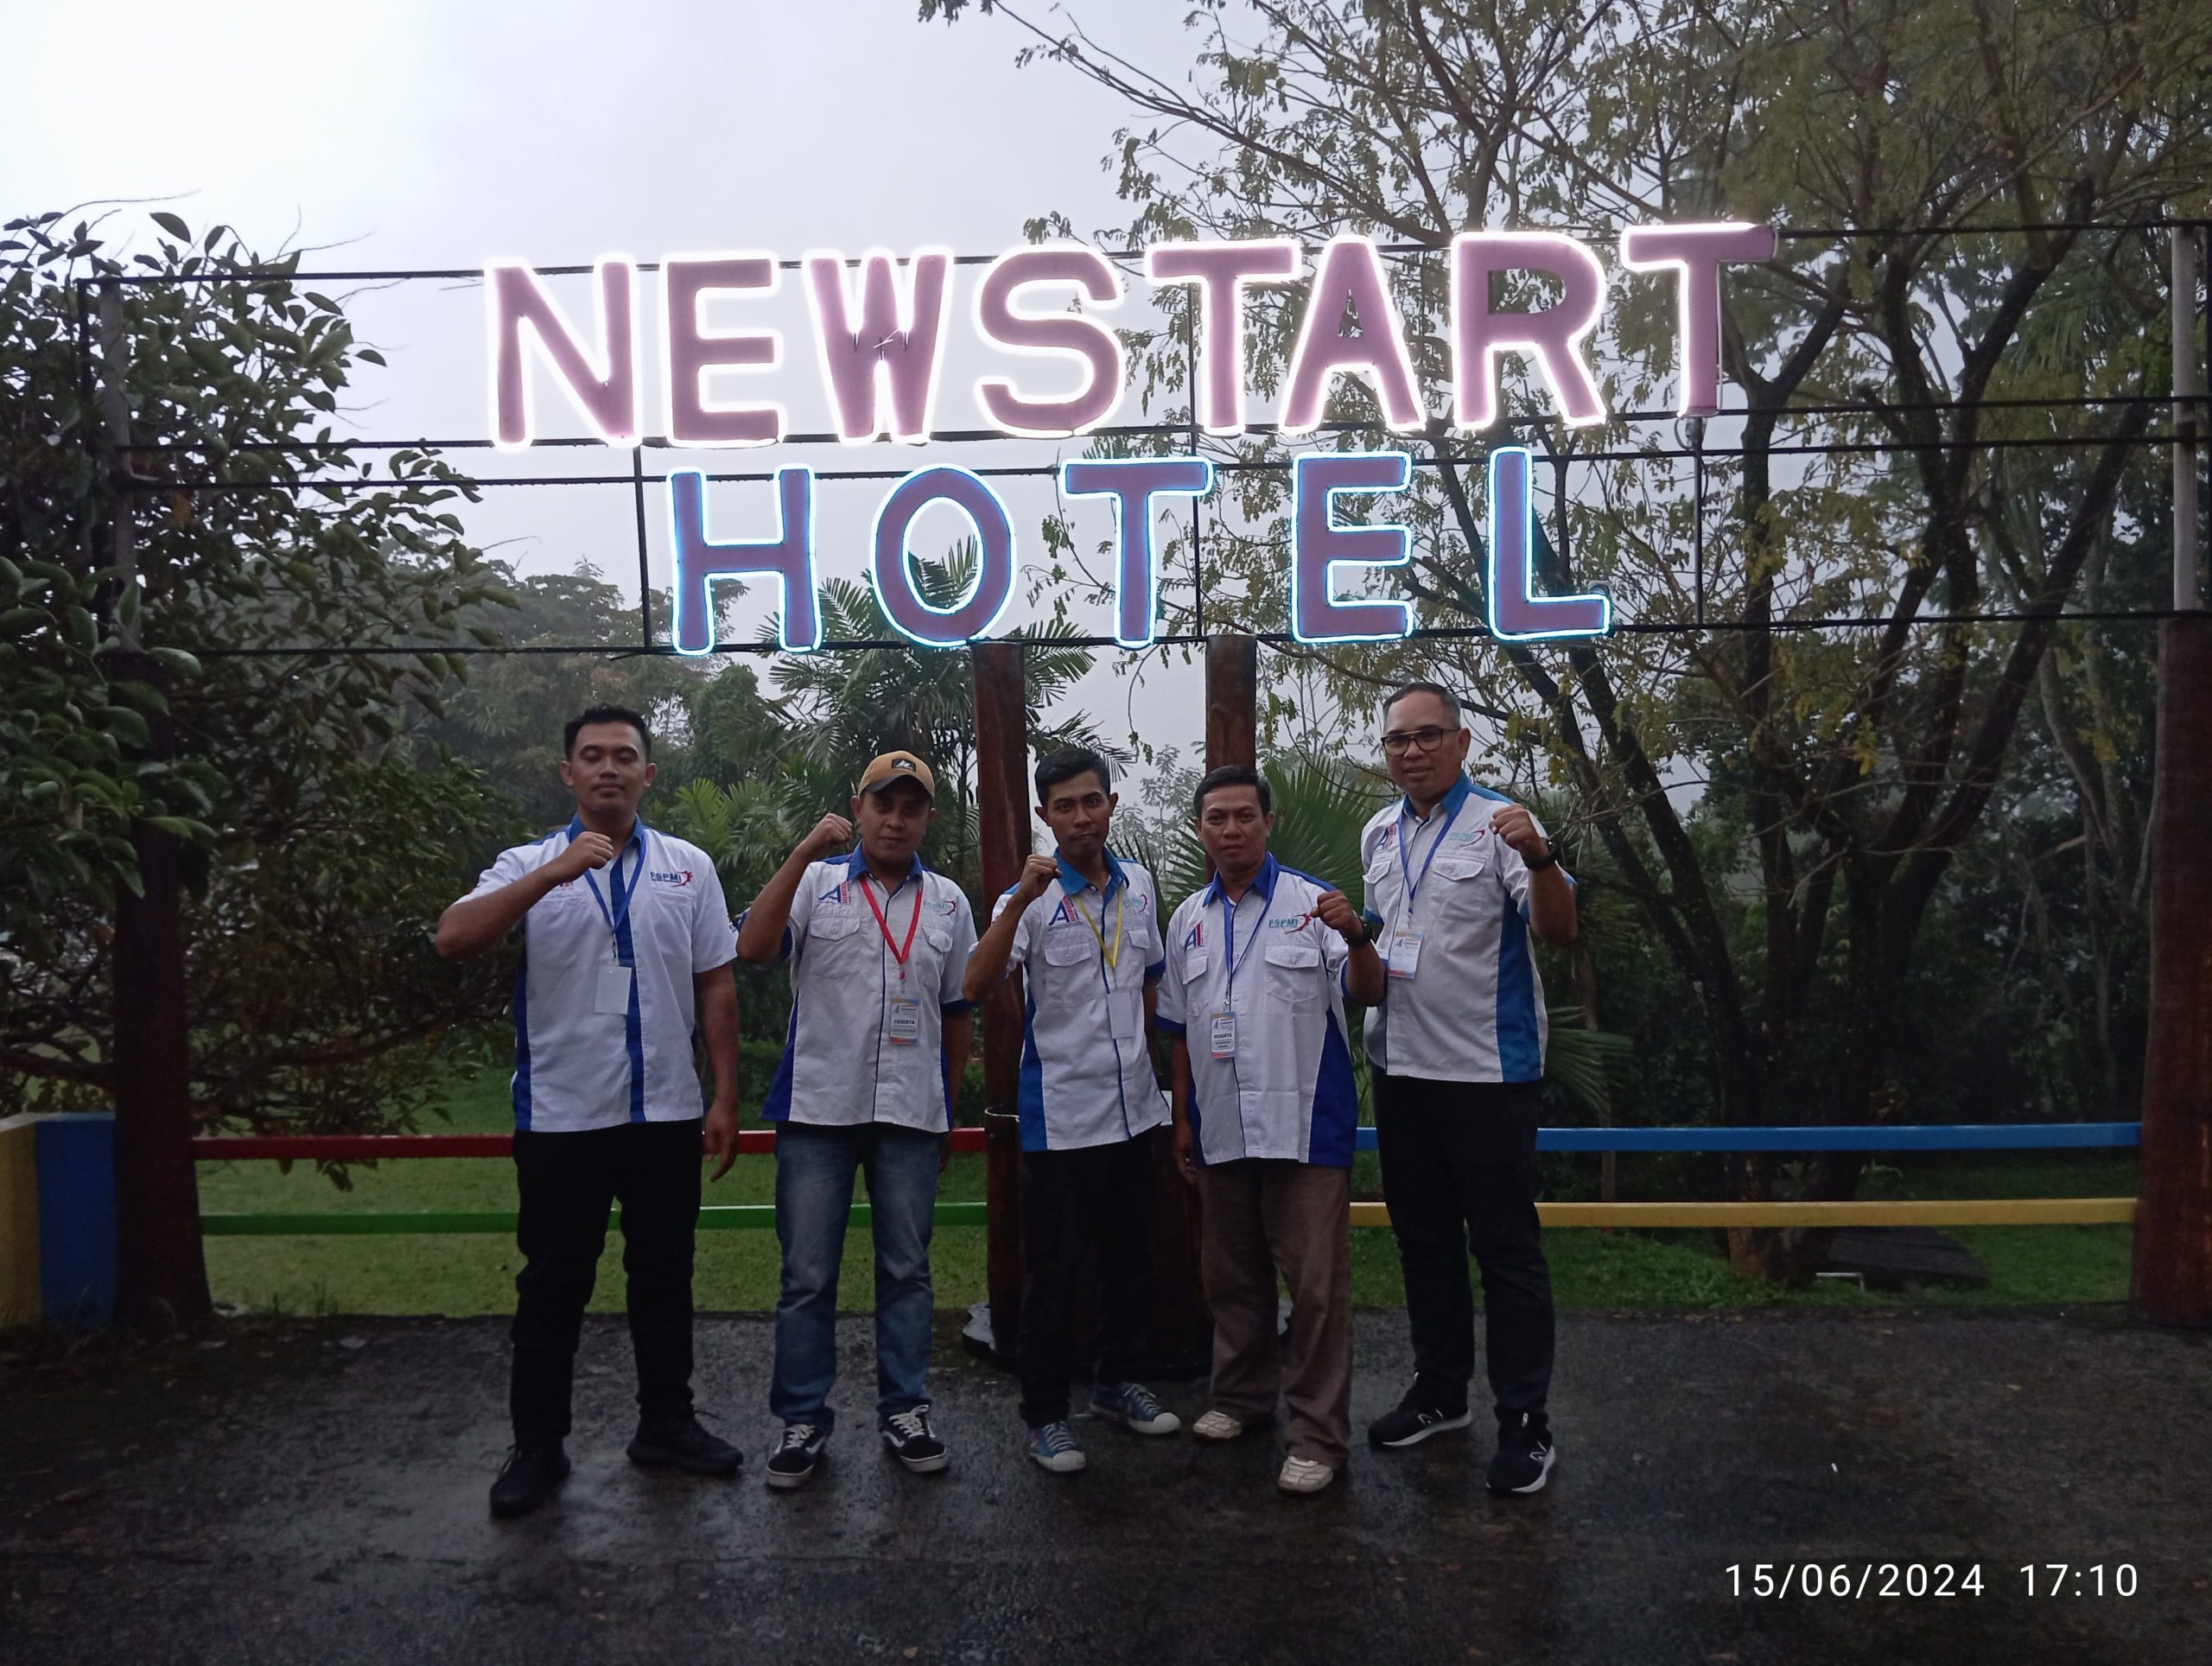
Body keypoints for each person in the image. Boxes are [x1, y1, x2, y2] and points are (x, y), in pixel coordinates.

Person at [435, 704, 744, 1519]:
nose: (609, 768)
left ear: (650, 773)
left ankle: (666, 1426)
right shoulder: (527, 861)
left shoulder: (688, 868)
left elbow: (715, 980)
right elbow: (452, 937)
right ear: (567, 772)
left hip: (666, 1115)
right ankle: (538, 1447)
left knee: (664, 1280)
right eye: (592, 756)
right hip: (563, 1119)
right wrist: (551, 875)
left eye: (626, 756)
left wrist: (724, 1092)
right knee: (552, 1287)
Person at [734, 751, 977, 1490]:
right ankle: (802, 1419)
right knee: (807, 1276)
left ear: (928, 818)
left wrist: (946, 1107)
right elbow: (752, 948)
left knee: (907, 1271)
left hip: (910, 1113)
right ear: (859, 806)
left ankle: (906, 1408)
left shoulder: (949, 904)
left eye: (911, 807)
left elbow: (958, 1012)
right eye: (883, 804)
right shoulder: (813, 884)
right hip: (818, 1112)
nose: (895, 818)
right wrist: (807, 847)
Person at [1358, 681, 1576, 1495]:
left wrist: (1542, 858)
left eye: (1427, 736)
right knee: (1424, 1243)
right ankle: (1441, 1392)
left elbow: (1558, 929)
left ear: (1462, 740)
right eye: (1396, 741)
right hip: (1401, 1070)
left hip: (1487, 1075)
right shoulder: (1379, 832)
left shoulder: (1503, 824)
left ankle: (1527, 1422)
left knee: (1507, 1249)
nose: (1410, 751)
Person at [1156, 766, 1385, 1495]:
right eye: (1216, 818)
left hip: (1303, 1125)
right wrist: (1183, 1117)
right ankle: (1241, 1399)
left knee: (1315, 1289)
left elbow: (1367, 991)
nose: (1231, 830)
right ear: (1200, 829)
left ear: (1268, 821)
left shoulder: (1312, 904)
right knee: (1232, 1278)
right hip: (1221, 1128)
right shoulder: (1187, 917)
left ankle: (1318, 1435)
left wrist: (1356, 939)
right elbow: (1181, 1031)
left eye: (1243, 817)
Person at [961, 747, 1179, 1475]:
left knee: (1130, 1262)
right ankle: (1046, 1415)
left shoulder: (1141, 886)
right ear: (1045, 815)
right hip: (1061, 1117)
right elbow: (976, 979)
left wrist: (1158, 1080)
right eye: (1064, 806)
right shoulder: (1026, 897)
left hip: (1136, 1113)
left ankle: (1118, 1384)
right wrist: (1019, 899)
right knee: (1052, 1275)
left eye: (1092, 801)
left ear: (1111, 804)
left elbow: (1150, 985)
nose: (1081, 816)